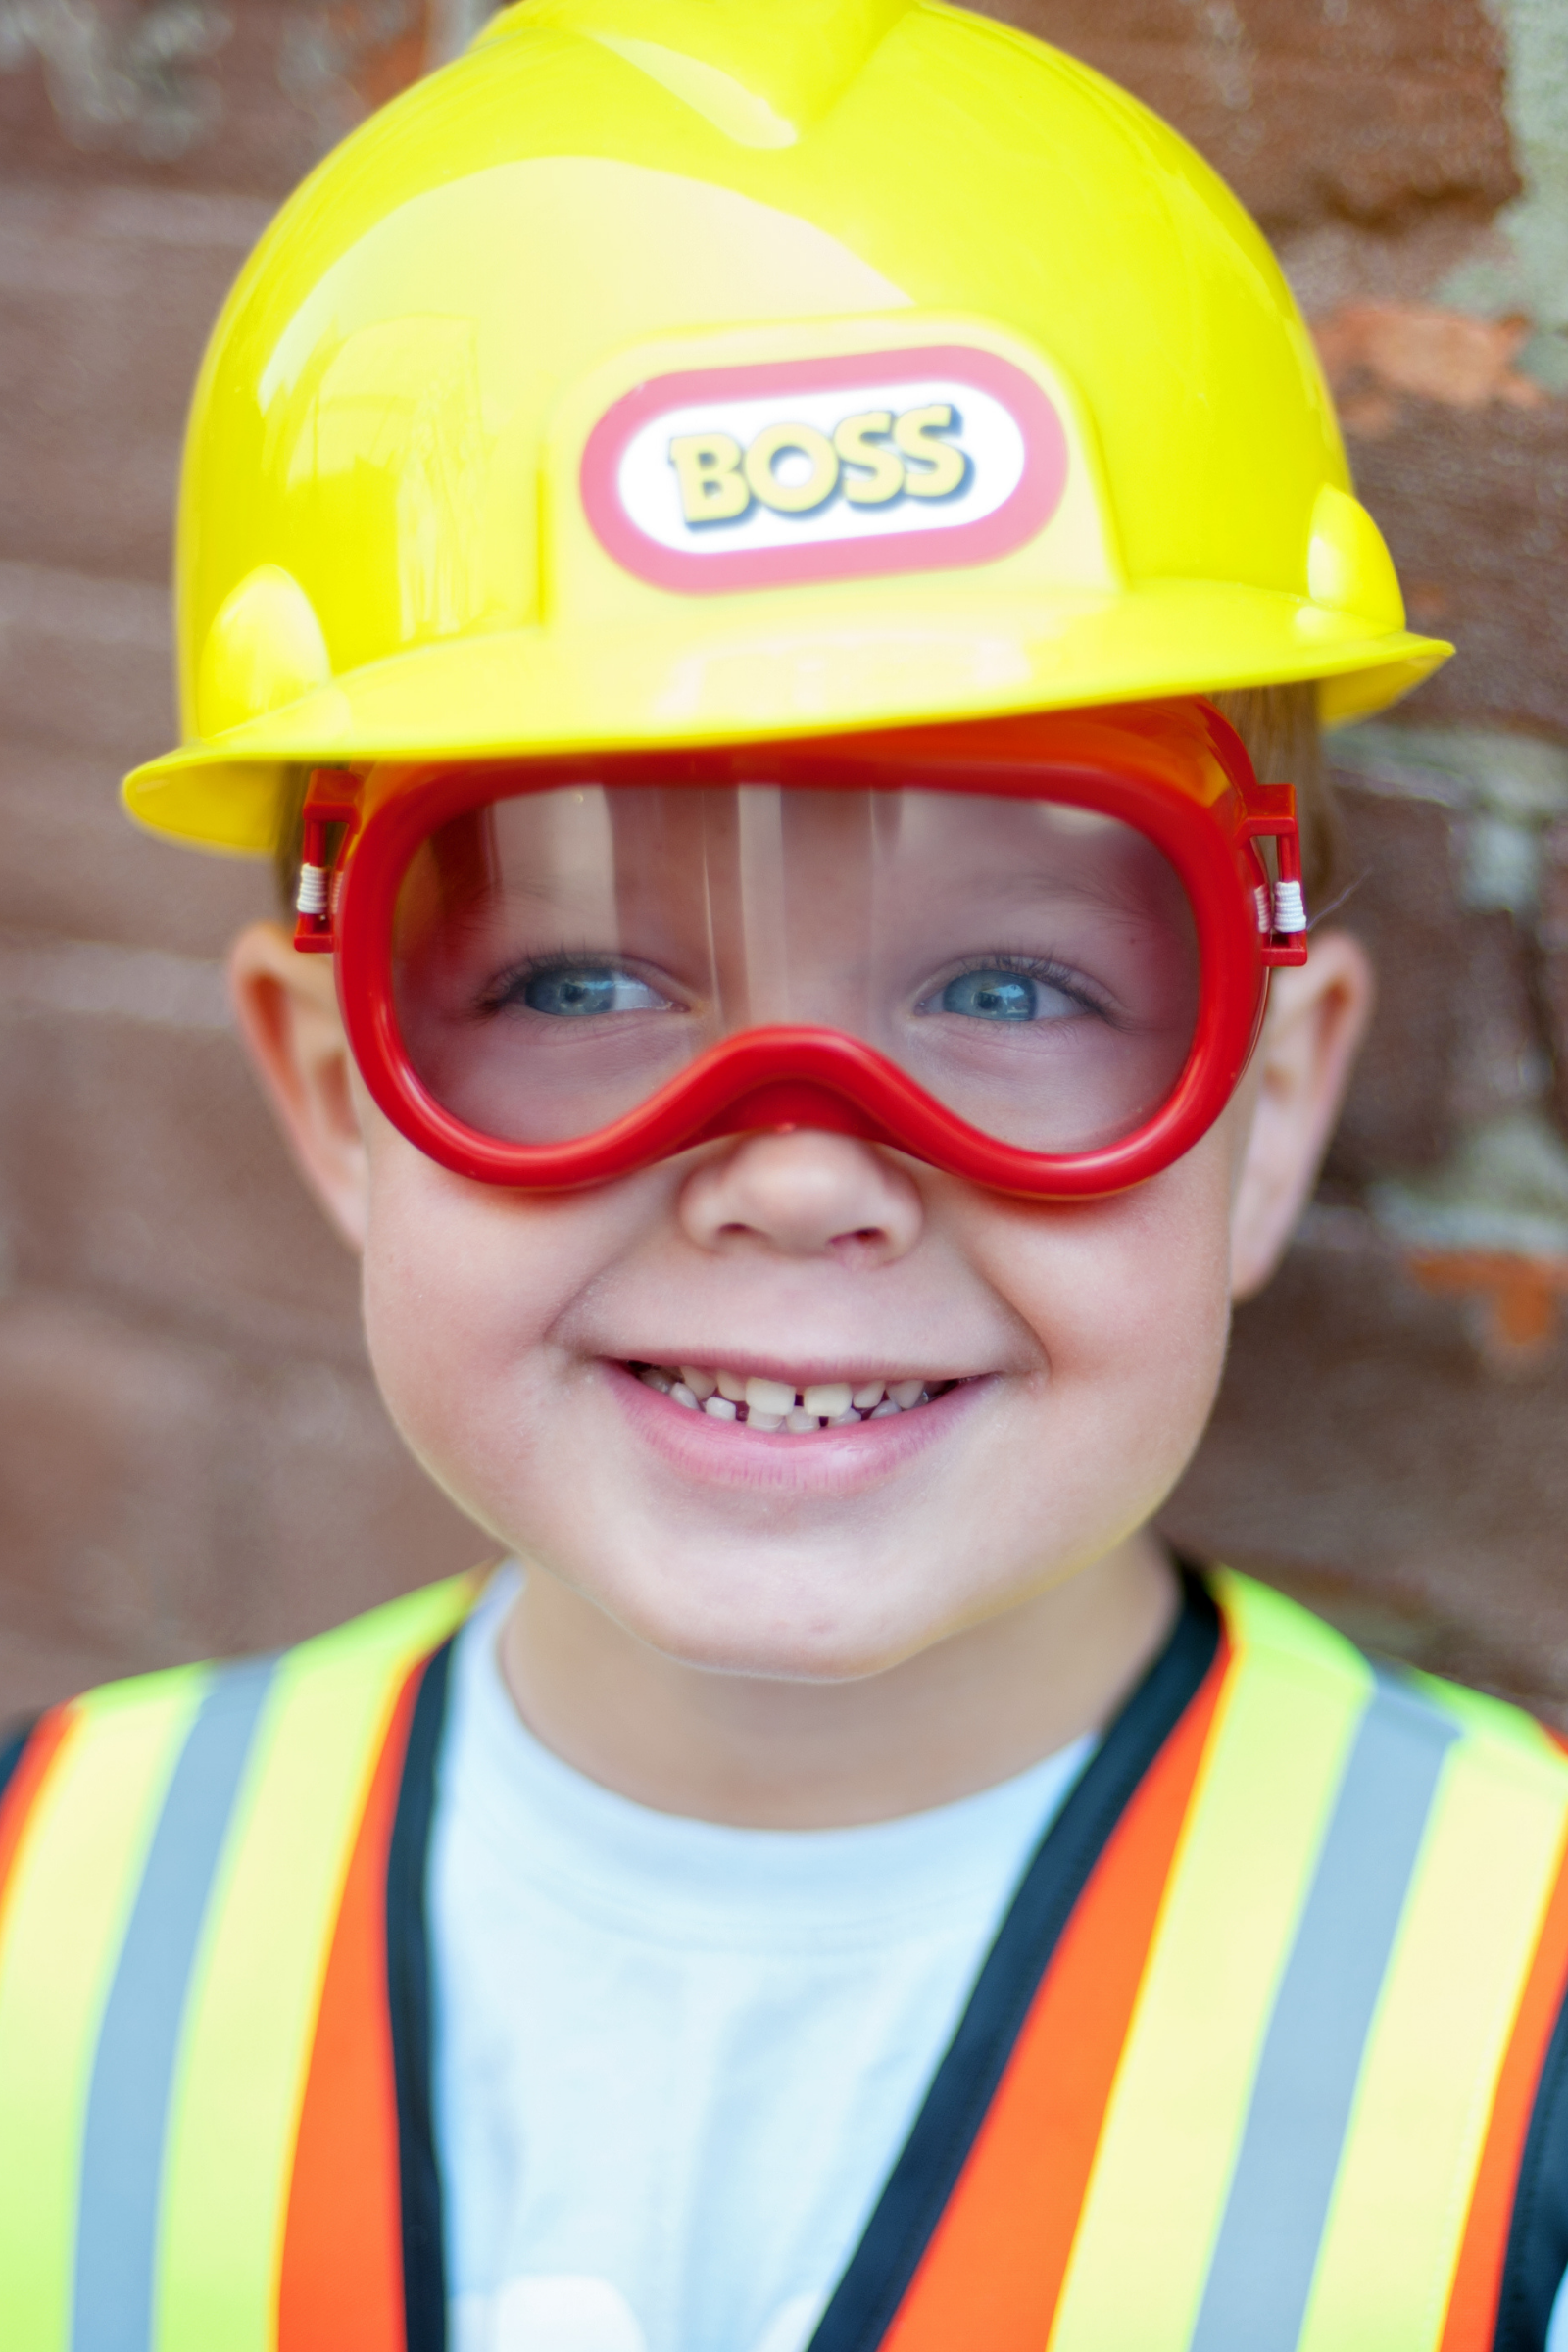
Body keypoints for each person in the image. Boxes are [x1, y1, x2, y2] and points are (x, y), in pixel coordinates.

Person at [3, 3, 1565, 2348]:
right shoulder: (51, 1904)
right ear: (334, 1097)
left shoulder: (1513, 2021)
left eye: (1014, 995)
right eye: (572, 990)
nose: (796, 1176)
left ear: (1265, 1115)